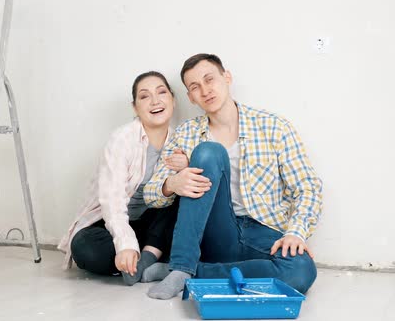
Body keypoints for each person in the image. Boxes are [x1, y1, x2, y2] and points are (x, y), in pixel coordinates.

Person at [142, 54, 323, 299]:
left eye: (210, 79)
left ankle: (191, 273)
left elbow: (307, 187)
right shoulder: (186, 133)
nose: (205, 90)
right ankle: (182, 265)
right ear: (191, 97)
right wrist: (173, 183)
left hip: (262, 231)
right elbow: (151, 194)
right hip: (214, 232)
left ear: (226, 78)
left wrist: (296, 232)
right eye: (195, 87)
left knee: (301, 270)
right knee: (208, 152)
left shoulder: (274, 127)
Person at [58, 71, 186, 285]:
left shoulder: (181, 140)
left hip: (153, 226)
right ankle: (148, 260)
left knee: (180, 193)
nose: (155, 101)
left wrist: (186, 166)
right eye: (145, 96)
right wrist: (125, 244)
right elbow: (112, 201)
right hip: (111, 222)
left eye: (161, 92)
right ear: (135, 107)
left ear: (172, 99)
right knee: (84, 247)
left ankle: (141, 263)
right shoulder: (122, 139)